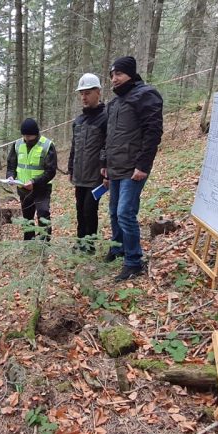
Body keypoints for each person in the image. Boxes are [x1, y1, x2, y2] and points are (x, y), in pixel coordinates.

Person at [101, 56, 164, 281]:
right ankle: (118, 248)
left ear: (130, 73)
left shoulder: (146, 95)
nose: (114, 79)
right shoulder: (115, 103)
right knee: (114, 212)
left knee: (125, 213)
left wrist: (143, 165)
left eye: (118, 74)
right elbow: (108, 138)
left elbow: (153, 132)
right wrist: (105, 164)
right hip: (116, 167)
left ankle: (133, 261)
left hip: (133, 169)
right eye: (112, 75)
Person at [68, 73, 107, 253]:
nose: (84, 97)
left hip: (96, 176)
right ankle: (80, 241)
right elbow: (74, 147)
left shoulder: (105, 117)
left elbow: (108, 145)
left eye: (87, 93)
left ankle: (89, 244)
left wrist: (106, 169)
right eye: (81, 93)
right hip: (79, 175)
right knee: (79, 210)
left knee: (89, 211)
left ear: (98, 92)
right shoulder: (78, 121)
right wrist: (70, 168)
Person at [6, 118, 58, 240]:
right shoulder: (17, 144)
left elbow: (51, 171)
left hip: (42, 189)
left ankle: (45, 242)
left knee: (43, 213)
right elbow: (11, 164)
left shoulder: (47, 145)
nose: (26, 138)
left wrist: (34, 182)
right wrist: (10, 176)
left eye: (29, 136)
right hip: (23, 190)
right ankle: (28, 242)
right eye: (24, 135)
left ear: (36, 133)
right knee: (27, 218)